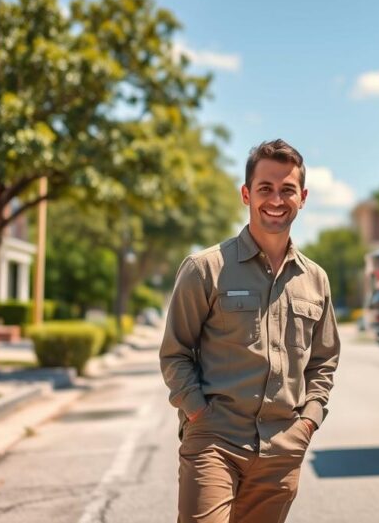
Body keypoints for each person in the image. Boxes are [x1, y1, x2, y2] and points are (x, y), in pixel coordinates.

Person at [160, 139, 340, 522]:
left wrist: (307, 422)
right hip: (215, 440)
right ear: (246, 194)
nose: (276, 199)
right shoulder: (204, 268)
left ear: (303, 197)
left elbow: (323, 362)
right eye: (265, 188)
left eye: (287, 189)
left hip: (281, 449)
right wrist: (197, 413)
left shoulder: (315, 280)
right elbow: (176, 352)